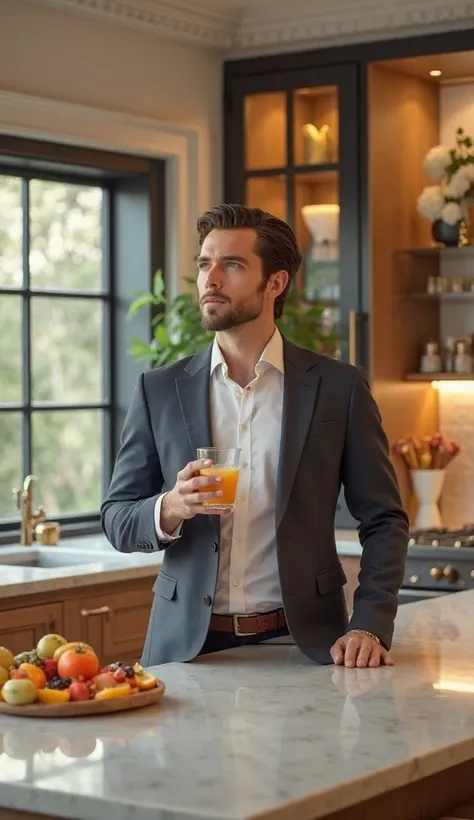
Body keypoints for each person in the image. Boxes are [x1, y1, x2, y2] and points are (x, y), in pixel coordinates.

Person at [101, 204, 408, 669]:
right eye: (205, 263)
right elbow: (117, 518)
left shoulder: (338, 388)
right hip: (186, 650)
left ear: (276, 283)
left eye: (233, 264)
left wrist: (369, 623)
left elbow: (384, 520)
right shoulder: (159, 390)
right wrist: (171, 506)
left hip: (306, 645)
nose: (211, 279)